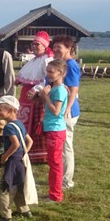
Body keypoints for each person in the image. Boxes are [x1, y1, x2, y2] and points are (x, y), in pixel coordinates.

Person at [0, 95, 34, 221]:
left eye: (0, 109)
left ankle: (6, 217)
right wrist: (23, 153)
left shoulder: (9, 127)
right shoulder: (19, 124)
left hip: (11, 162)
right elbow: (30, 141)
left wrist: (5, 156)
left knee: (4, 188)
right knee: (19, 185)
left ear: (10, 110)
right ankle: (24, 210)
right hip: (20, 161)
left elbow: (15, 144)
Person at [14, 31, 54, 164]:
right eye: (33, 44)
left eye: (37, 44)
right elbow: (28, 74)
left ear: (44, 46)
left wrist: (35, 89)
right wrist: (19, 80)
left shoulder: (47, 60)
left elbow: (47, 80)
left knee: (34, 124)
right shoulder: (34, 60)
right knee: (24, 122)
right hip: (25, 97)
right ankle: (23, 150)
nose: (34, 46)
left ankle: (38, 155)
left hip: (36, 98)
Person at [50, 35, 81, 190]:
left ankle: (66, 181)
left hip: (67, 111)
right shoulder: (60, 64)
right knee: (60, 146)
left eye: (59, 47)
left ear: (69, 48)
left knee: (65, 146)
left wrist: (67, 109)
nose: (55, 50)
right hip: (59, 109)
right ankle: (60, 177)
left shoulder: (71, 65)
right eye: (54, 47)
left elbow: (74, 89)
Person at [41, 59, 68, 203]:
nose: (48, 74)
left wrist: (46, 97)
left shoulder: (59, 90)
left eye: (51, 72)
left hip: (55, 130)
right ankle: (54, 192)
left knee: (55, 164)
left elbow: (56, 111)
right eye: (47, 71)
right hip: (52, 128)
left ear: (60, 73)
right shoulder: (55, 88)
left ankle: (56, 195)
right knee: (53, 162)